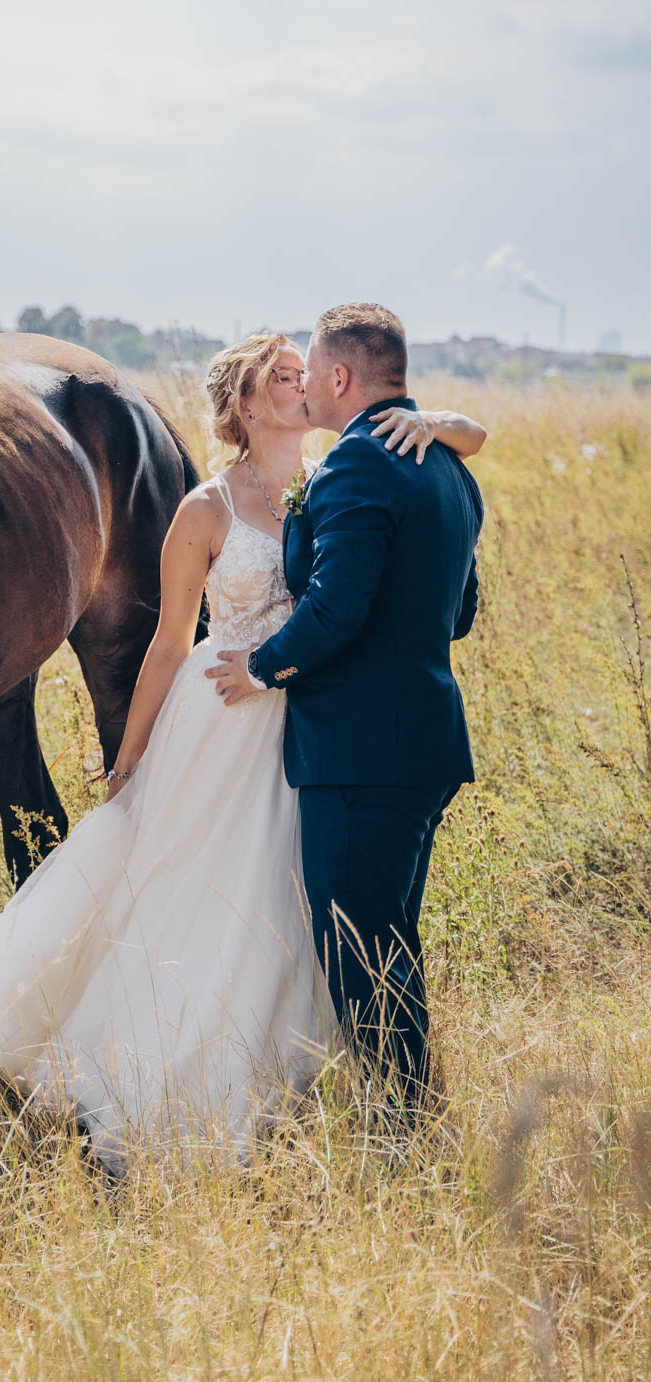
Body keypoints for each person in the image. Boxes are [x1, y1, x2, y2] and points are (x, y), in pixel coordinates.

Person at [0, 326, 486, 1170]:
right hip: (223, 715)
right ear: (246, 403)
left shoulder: (335, 475)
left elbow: (365, 580)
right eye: (284, 375)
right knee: (196, 891)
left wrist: (438, 420)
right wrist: (130, 756)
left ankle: (291, 1074)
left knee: (297, 903)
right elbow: (168, 645)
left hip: (308, 719)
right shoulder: (205, 508)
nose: (303, 384)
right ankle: (166, 1071)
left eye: (307, 371)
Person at [206, 304, 484, 1117]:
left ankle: (395, 1131)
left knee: (358, 953)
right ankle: (409, 1108)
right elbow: (459, 609)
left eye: (313, 372)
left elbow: (337, 607)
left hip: (362, 754)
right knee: (390, 941)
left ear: (339, 378)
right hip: (422, 741)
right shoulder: (445, 466)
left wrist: (261, 668)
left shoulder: (359, 465)